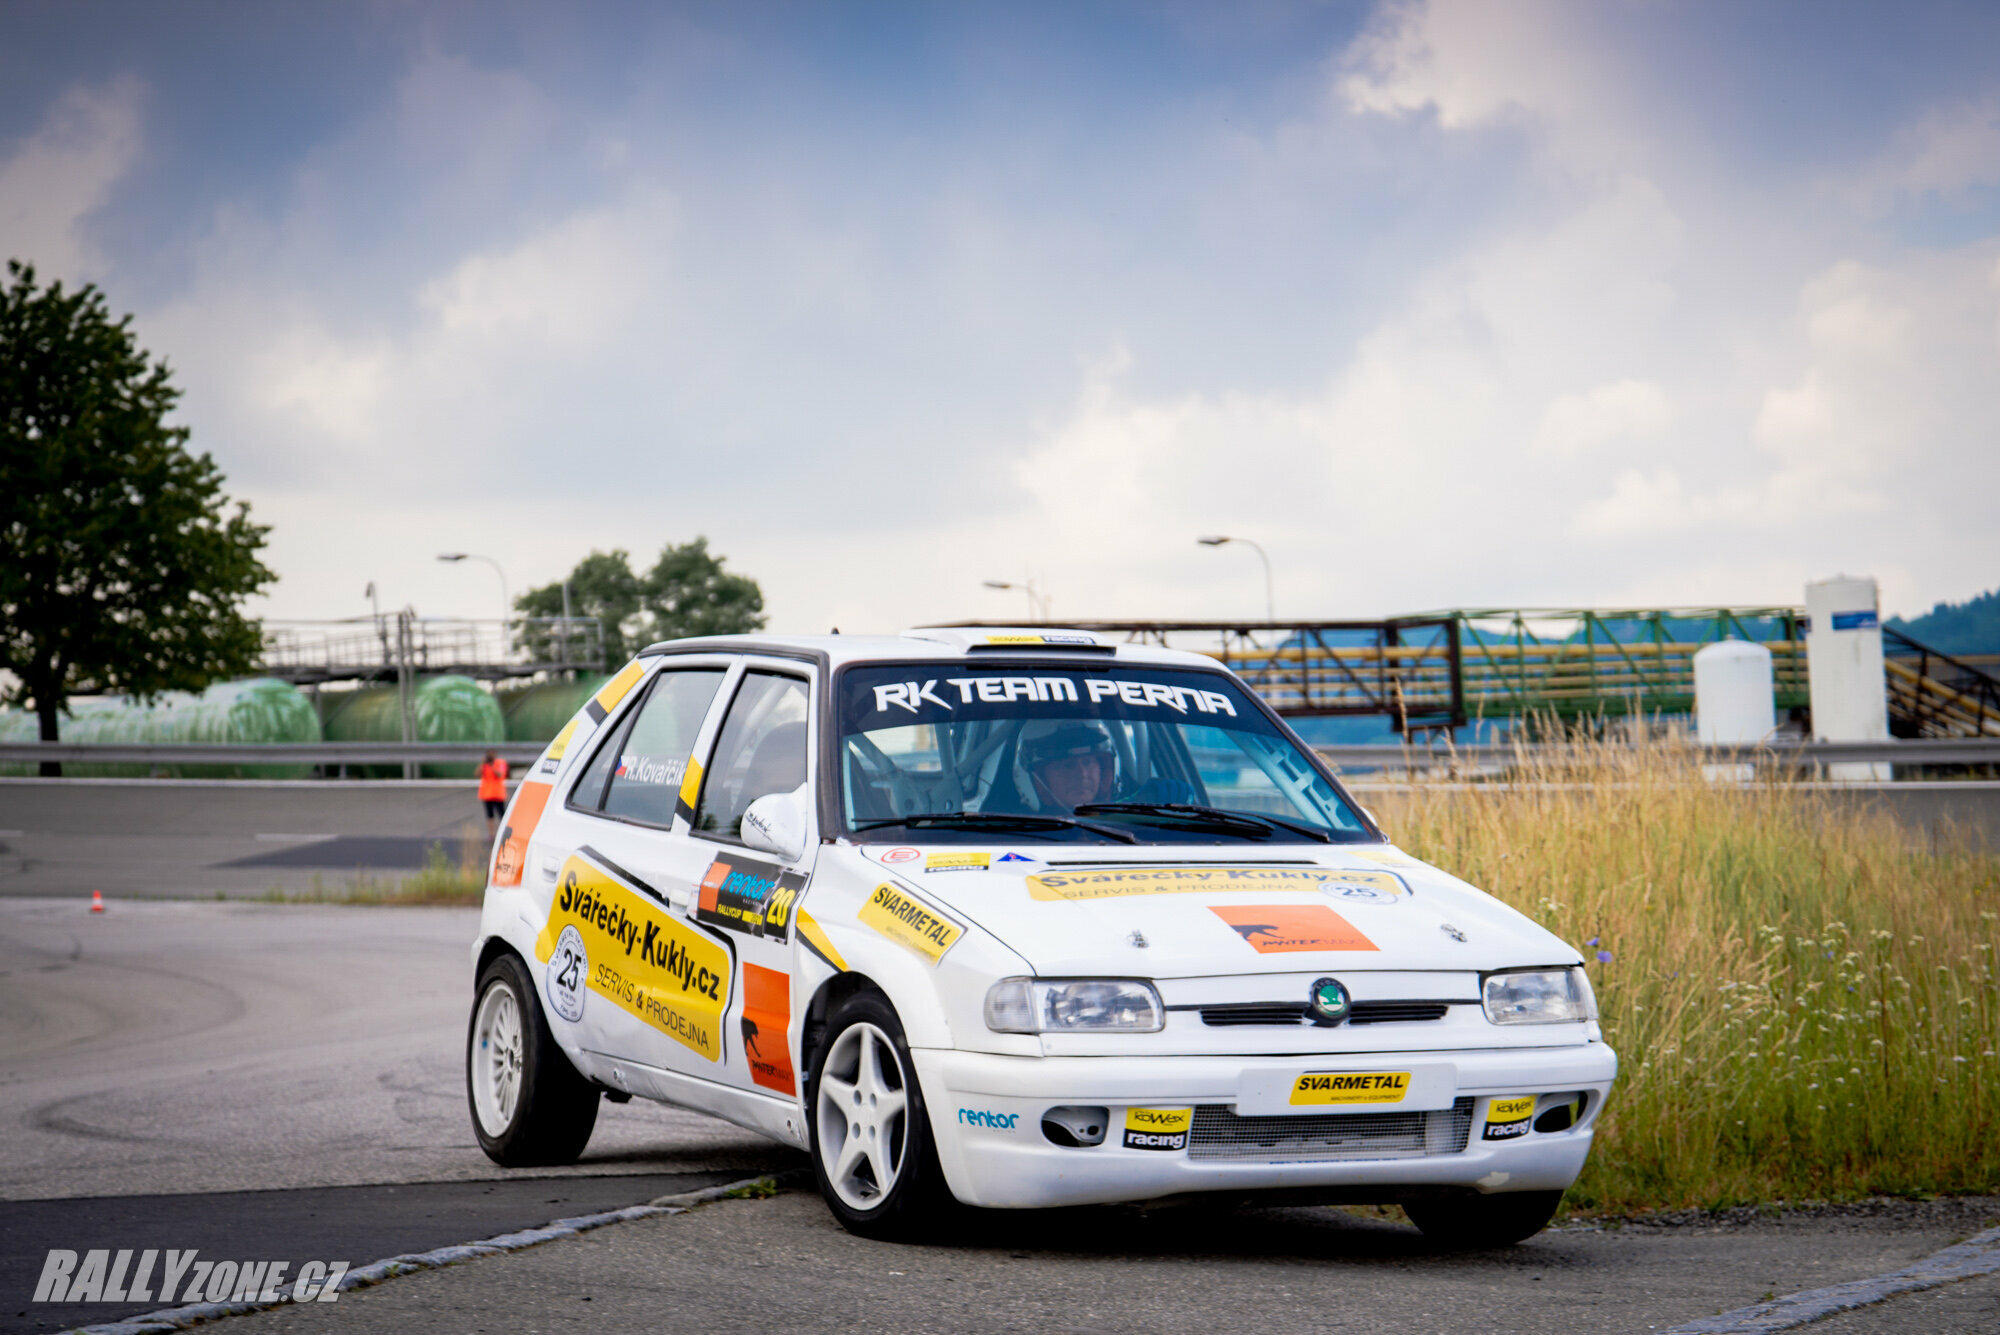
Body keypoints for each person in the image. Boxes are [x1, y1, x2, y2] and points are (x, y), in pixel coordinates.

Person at [1014, 721, 1118, 813]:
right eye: (1067, 765)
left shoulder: (1127, 821)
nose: (1082, 774)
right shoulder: (1014, 834)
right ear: (1041, 776)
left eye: (1087, 762)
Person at [478, 750, 509, 839]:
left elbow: (500, 775)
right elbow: (477, 774)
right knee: (489, 815)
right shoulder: (484, 765)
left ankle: (504, 833)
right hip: (487, 794)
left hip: (498, 794)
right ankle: (491, 835)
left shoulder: (500, 763)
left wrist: (491, 766)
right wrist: (482, 764)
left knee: (502, 815)